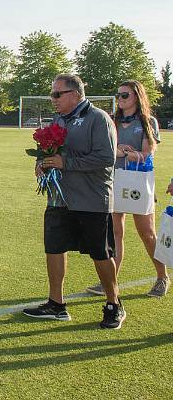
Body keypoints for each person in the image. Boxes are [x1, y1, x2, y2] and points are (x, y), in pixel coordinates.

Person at [22, 73, 125, 329]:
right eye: (52, 94)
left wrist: (66, 163)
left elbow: (106, 159)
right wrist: (42, 163)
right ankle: (56, 304)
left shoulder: (98, 119)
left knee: (101, 253)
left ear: (76, 94)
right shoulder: (58, 119)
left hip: (91, 199)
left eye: (58, 94)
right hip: (59, 198)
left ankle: (114, 304)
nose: (53, 99)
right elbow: (52, 152)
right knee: (54, 248)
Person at [86, 80, 167, 297]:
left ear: (137, 97)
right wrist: (117, 151)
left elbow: (147, 153)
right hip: (113, 181)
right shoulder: (111, 121)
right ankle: (110, 282)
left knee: (147, 233)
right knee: (115, 233)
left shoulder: (148, 121)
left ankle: (162, 277)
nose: (120, 99)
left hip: (137, 183)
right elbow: (102, 150)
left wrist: (127, 153)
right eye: (119, 95)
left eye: (125, 95)